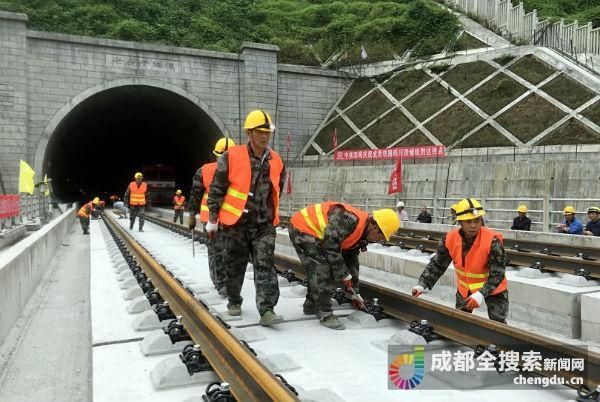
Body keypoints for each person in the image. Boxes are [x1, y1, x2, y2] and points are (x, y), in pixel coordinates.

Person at [207, 110, 285, 327]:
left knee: (265, 264)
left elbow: (276, 189)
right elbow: (216, 190)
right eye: (260, 131)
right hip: (235, 224)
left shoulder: (276, 160)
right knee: (234, 263)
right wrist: (213, 219)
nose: (264, 136)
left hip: (263, 224)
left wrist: (271, 217)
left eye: (267, 131)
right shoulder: (231, 157)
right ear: (249, 133)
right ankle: (234, 299)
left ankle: (267, 309)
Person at [289, 203, 400, 330]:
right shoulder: (349, 220)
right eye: (381, 237)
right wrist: (343, 274)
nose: (378, 240)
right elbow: (330, 245)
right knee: (321, 268)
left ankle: (311, 304)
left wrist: (354, 291)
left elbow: (351, 258)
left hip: (319, 235)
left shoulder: (362, 232)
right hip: (303, 227)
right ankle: (325, 313)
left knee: (327, 266)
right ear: (375, 227)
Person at [412, 198, 509, 323]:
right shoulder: (449, 239)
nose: (473, 225)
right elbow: (438, 264)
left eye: (477, 220)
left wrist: (480, 294)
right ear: (460, 222)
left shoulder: (492, 241)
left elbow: (498, 272)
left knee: (498, 324)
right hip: (465, 288)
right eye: (468, 221)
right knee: (460, 322)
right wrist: (422, 284)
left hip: (494, 288)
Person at [188, 137, 235, 296]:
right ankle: (221, 283)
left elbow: (195, 195)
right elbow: (196, 195)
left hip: (227, 218)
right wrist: (192, 214)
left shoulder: (204, 170)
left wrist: (192, 215)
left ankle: (222, 282)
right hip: (215, 219)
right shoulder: (206, 171)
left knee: (218, 251)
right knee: (221, 251)